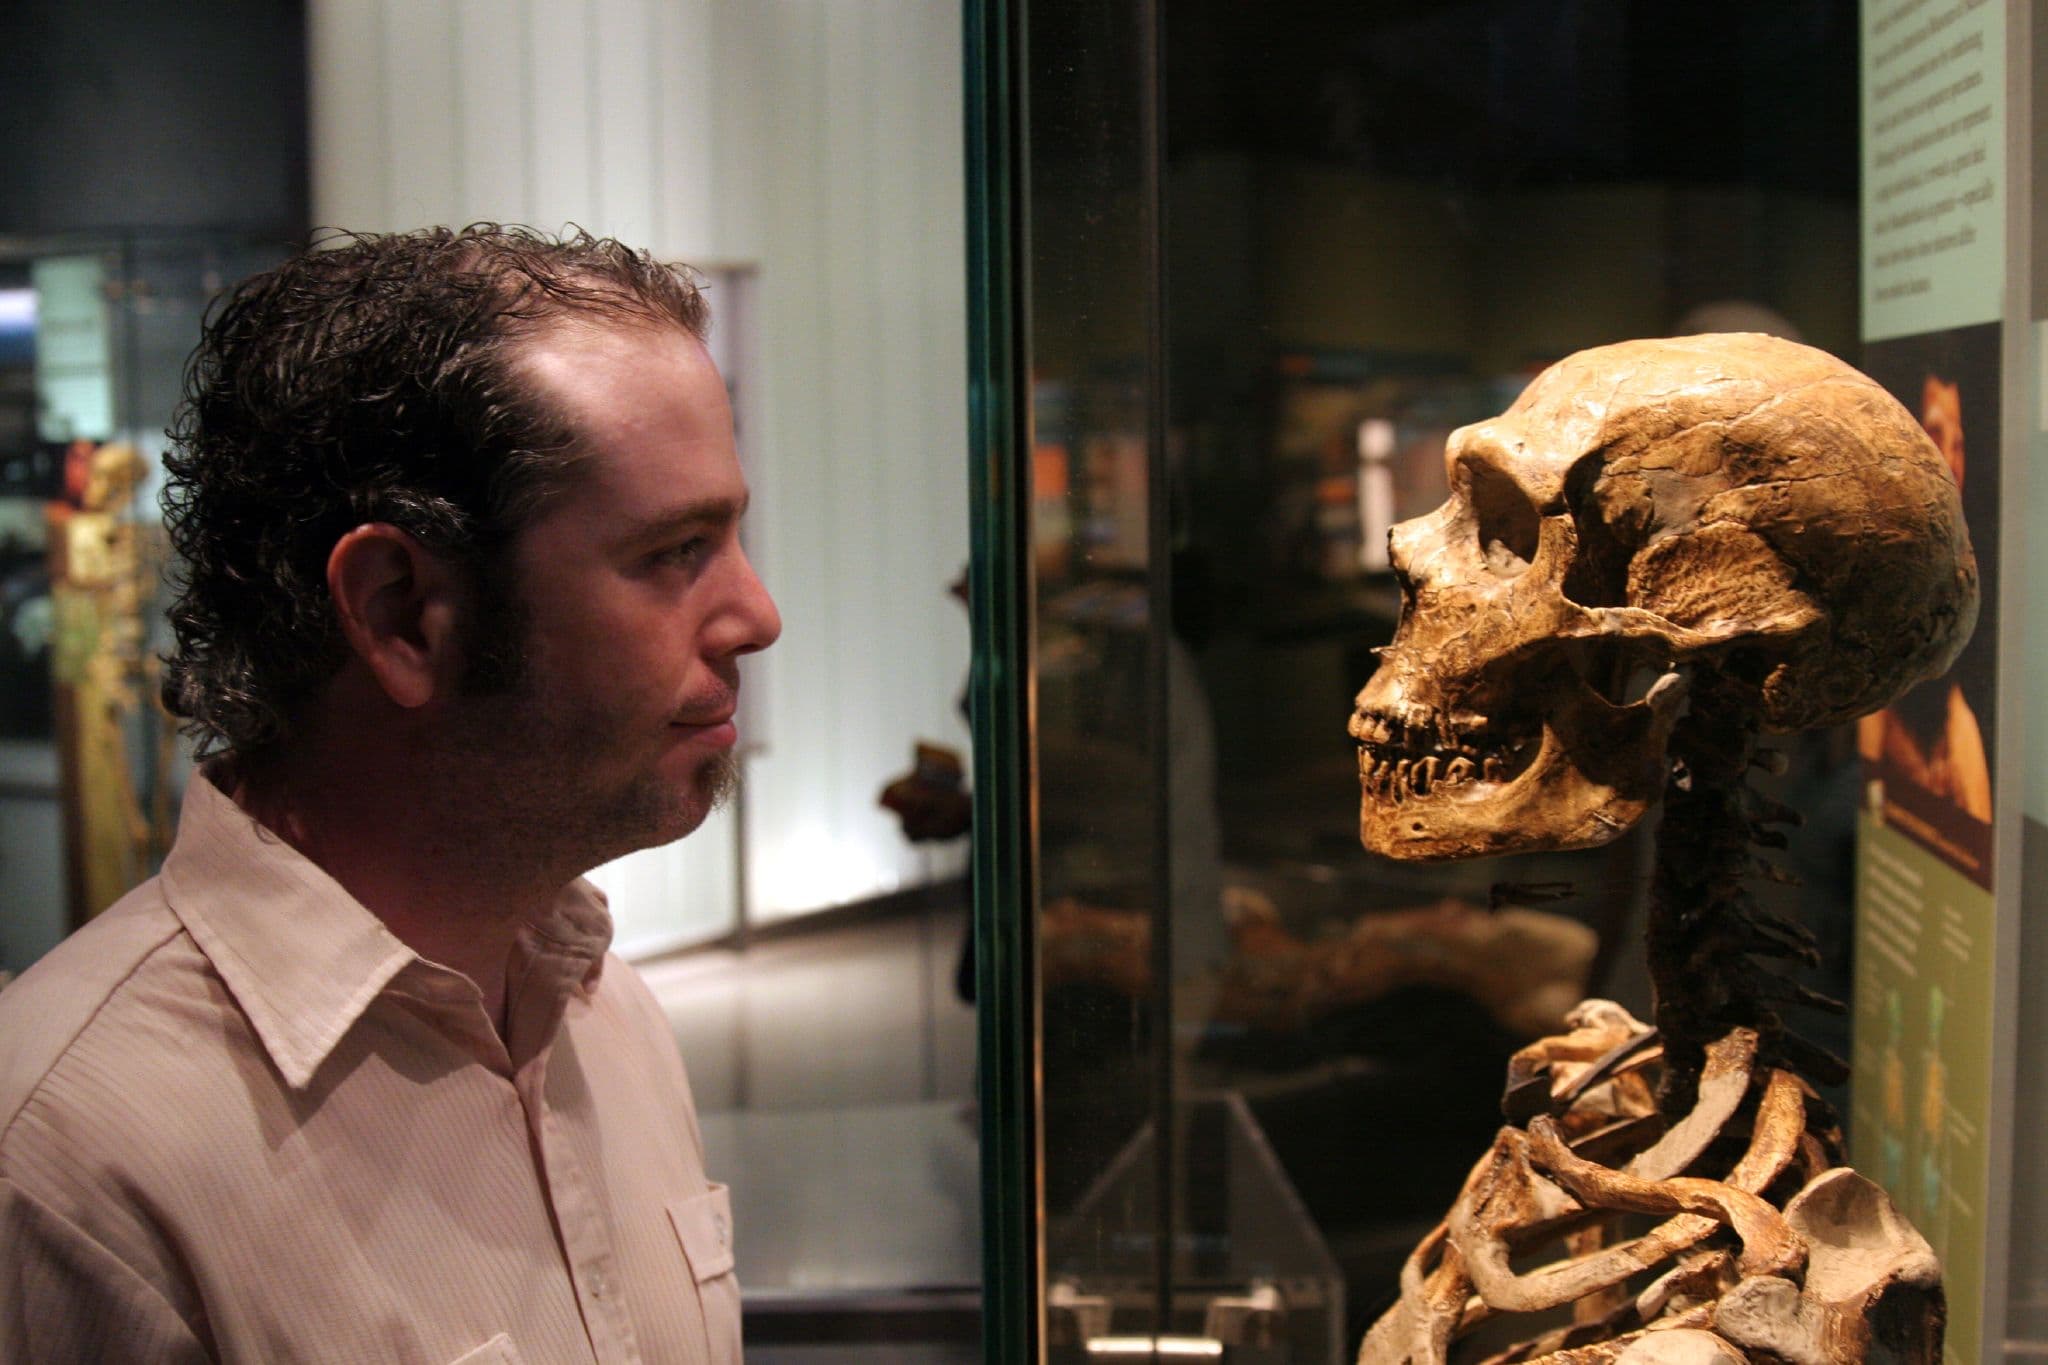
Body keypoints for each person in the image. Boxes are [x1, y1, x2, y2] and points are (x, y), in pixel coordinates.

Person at [0, 225, 780, 1362]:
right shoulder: (71, 1165)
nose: (757, 615)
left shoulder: (606, 1017)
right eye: (674, 552)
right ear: (400, 612)